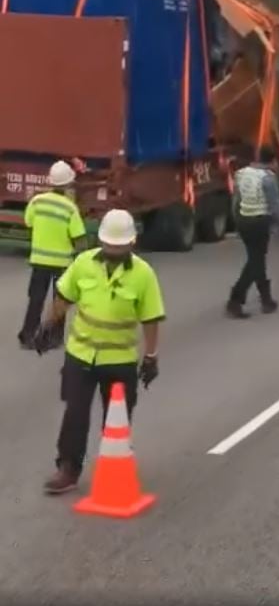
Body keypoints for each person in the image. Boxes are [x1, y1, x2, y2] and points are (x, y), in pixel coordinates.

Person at [34, 209, 166, 495]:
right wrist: (48, 326)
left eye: (119, 247)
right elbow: (64, 296)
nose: (113, 251)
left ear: (132, 243)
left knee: (117, 418)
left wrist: (151, 356)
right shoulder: (84, 264)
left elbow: (151, 318)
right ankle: (68, 469)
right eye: (109, 245)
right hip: (80, 354)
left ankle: (115, 464)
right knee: (75, 414)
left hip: (119, 360)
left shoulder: (143, 274)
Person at [18, 160, 87, 350]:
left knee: (36, 299)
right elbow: (79, 238)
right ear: (67, 185)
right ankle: (55, 337)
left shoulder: (37, 201)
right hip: (62, 263)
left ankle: (27, 336)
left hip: (39, 261)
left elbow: (28, 222)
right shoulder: (70, 208)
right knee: (60, 301)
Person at [226, 145, 279, 319]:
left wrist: (236, 222)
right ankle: (236, 299)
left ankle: (266, 300)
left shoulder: (241, 173)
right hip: (260, 222)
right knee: (255, 261)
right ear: (272, 161)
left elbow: (236, 201)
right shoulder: (268, 178)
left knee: (256, 259)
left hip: (244, 220)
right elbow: (275, 206)